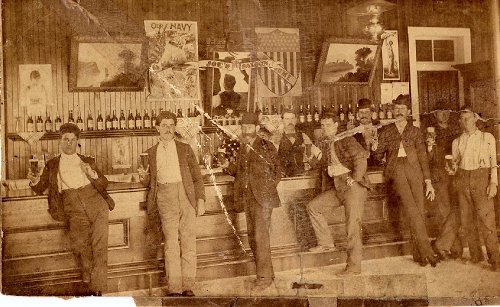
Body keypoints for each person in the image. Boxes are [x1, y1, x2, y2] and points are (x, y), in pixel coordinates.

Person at [27, 123, 114, 296]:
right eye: (66, 139)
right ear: (60, 141)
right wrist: (34, 180)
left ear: (77, 142)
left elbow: (104, 183)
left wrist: (93, 174)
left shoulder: (87, 160)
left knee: (99, 245)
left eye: (73, 140)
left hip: (96, 203)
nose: (69, 143)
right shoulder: (52, 164)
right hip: (72, 205)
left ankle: (97, 289)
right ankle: (89, 279)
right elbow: (39, 187)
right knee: (80, 245)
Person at [138, 111, 206, 297]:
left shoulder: (185, 149)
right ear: (157, 128)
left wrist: (200, 199)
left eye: (171, 125)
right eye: (164, 125)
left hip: (186, 196)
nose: (168, 129)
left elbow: (197, 178)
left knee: (188, 242)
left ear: (175, 128)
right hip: (164, 196)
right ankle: (175, 288)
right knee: (171, 244)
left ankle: (188, 286)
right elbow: (149, 181)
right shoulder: (151, 153)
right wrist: (142, 177)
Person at [373, 94, 440, 267]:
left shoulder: (416, 131)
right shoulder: (386, 130)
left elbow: (423, 157)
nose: (399, 112)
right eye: (396, 109)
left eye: (403, 109)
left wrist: (428, 181)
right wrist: (374, 145)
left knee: (418, 210)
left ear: (408, 112)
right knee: (413, 210)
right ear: (393, 111)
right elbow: (378, 154)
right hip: (397, 170)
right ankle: (428, 252)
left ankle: (418, 255)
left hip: (415, 170)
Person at [305, 112, 370, 275]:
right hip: (338, 186)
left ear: (335, 125)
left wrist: (354, 179)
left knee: (352, 227)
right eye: (322, 125)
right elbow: (319, 163)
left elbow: (362, 158)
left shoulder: (346, 138)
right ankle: (326, 242)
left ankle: (354, 267)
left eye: (328, 124)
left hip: (353, 187)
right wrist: (310, 152)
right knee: (313, 207)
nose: (324, 128)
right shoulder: (327, 142)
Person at [223, 112, 282, 291]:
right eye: (243, 128)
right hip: (248, 198)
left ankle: (263, 279)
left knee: (260, 237)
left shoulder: (266, 146)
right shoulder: (243, 147)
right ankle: (267, 274)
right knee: (253, 238)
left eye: (249, 127)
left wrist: (264, 191)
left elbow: (277, 173)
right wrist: (228, 167)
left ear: (257, 128)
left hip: (262, 200)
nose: (245, 131)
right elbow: (242, 171)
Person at [446, 108, 499, 271]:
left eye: (468, 118)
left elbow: (493, 163)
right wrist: (451, 169)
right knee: (467, 221)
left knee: (486, 221)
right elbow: (454, 165)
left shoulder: (487, 137)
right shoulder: (457, 141)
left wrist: (493, 183)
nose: (465, 122)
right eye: (462, 119)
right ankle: (476, 255)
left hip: (481, 179)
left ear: (475, 119)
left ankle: (496, 259)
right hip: (462, 180)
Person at [423, 105, 463, 260]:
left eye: (447, 111)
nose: (445, 114)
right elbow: (428, 158)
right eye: (441, 112)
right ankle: (454, 248)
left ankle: (442, 245)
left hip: (457, 174)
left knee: (458, 209)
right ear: (435, 114)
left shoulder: (456, 129)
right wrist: (429, 146)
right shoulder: (430, 132)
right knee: (446, 211)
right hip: (439, 176)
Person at [278, 109, 321, 177]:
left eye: (292, 118)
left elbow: (315, 153)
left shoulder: (303, 136)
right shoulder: (277, 137)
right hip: (282, 177)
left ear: (296, 120)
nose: (290, 121)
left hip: (300, 174)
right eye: (287, 119)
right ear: (282, 120)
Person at [352, 98, 380, 166]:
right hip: (359, 167)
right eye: (361, 112)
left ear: (371, 113)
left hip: (377, 167)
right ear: (358, 114)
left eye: (366, 112)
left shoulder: (379, 129)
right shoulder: (353, 132)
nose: (364, 115)